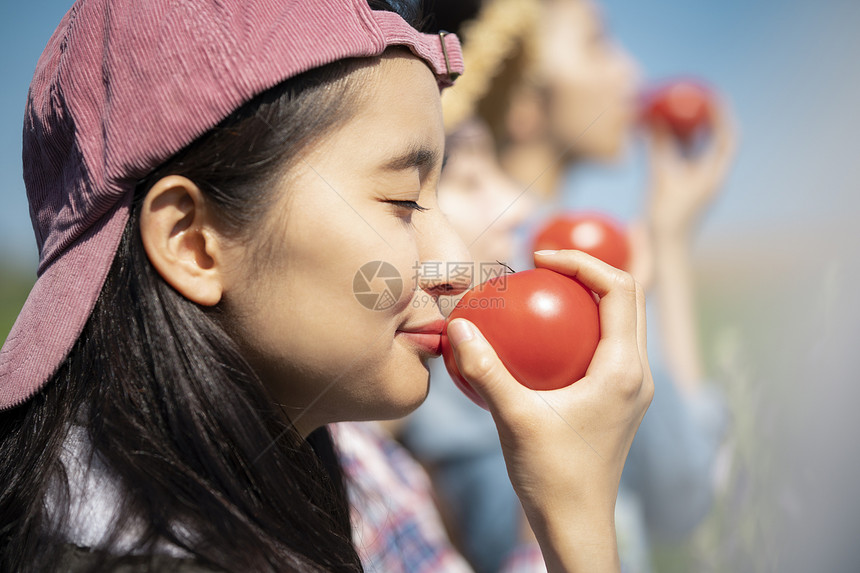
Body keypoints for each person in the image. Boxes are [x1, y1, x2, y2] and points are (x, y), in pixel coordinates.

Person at [0, 1, 653, 572]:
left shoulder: (338, 464)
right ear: (193, 241)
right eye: (401, 200)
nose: (456, 264)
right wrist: (579, 530)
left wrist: (573, 506)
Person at [401, 0, 736, 571]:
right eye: (597, 43)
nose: (632, 74)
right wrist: (665, 251)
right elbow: (685, 491)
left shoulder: (535, 270)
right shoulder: (510, 293)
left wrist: (666, 238)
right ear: (529, 101)